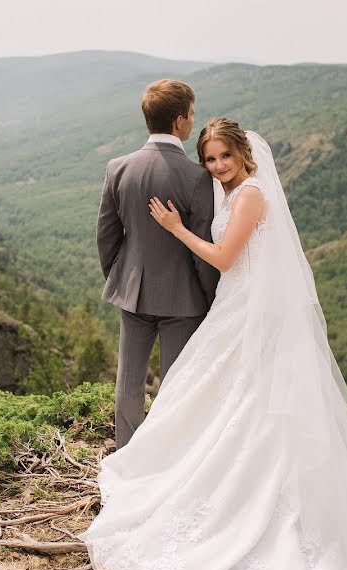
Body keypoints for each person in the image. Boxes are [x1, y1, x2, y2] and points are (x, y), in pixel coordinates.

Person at [79, 117, 347, 570]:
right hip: (237, 305)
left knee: (232, 395)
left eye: (224, 157)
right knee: (213, 391)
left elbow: (225, 257)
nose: (216, 167)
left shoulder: (250, 194)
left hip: (248, 308)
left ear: (243, 154)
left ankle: (252, 492)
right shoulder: (232, 191)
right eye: (209, 159)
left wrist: (175, 228)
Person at [96, 79, 219, 450]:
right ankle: (168, 459)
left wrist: (122, 278)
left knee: (128, 384)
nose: (193, 122)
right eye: (192, 115)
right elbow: (201, 248)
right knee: (175, 384)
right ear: (180, 121)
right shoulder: (198, 178)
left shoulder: (118, 168)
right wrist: (212, 299)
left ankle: (128, 458)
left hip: (133, 294)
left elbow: (106, 237)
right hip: (183, 300)